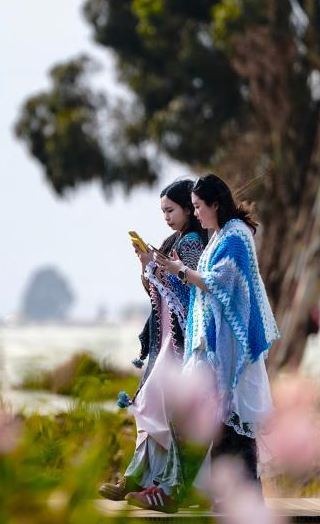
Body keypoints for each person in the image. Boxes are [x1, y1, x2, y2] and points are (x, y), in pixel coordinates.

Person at [160, 174, 280, 493]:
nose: (196, 213)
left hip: (235, 346)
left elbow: (220, 283)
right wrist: (174, 272)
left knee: (234, 429)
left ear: (215, 204)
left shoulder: (236, 235)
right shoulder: (219, 236)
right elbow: (205, 289)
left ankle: (236, 500)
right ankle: (224, 498)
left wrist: (181, 271)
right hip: (220, 345)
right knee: (225, 429)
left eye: (199, 206)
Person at [98, 179, 207, 511]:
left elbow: (189, 292)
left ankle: (152, 481)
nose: (166, 217)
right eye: (163, 212)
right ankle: (142, 478)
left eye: (171, 210)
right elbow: (156, 291)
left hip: (180, 342)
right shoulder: (173, 241)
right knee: (149, 405)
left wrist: (155, 270)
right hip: (166, 341)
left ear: (188, 208)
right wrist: (146, 265)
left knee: (153, 405)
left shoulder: (190, 244)